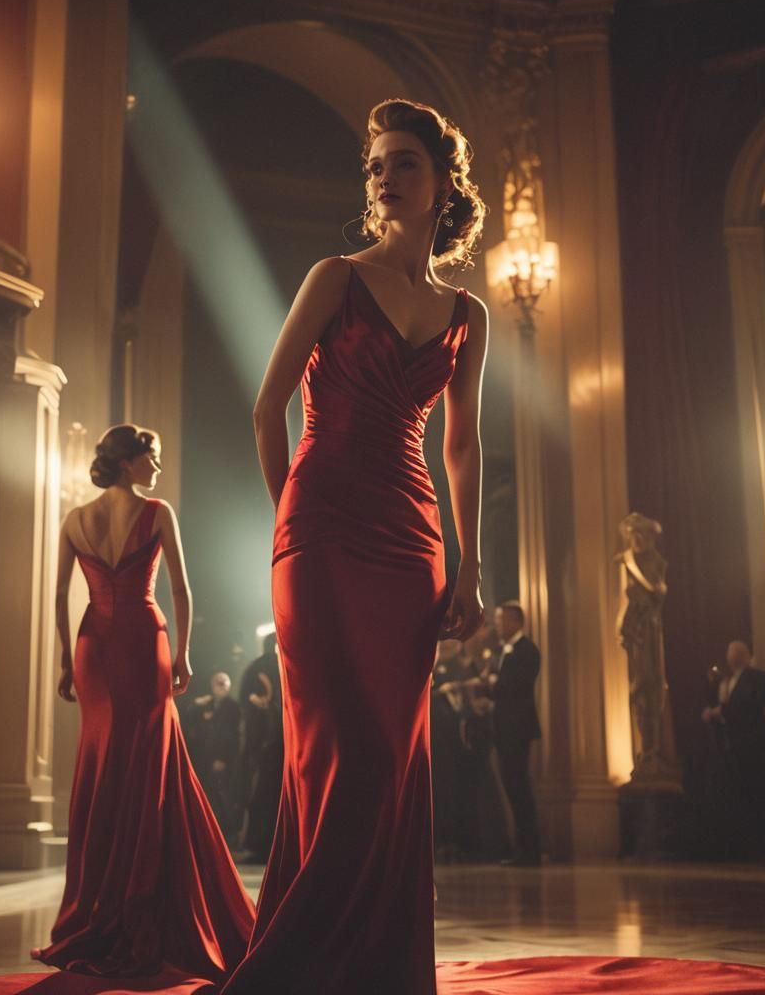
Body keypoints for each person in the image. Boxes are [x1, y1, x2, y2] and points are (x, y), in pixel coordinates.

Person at [232, 98, 487, 993]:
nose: (383, 176)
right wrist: (292, 515)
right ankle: (300, 958)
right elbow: (269, 408)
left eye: (403, 162)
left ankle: (373, 965)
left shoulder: (468, 313)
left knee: (390, 750)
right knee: (336, 745)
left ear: (442, 183)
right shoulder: (334, 276)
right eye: (375, 164)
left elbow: (462, 445)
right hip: (321, 526)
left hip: (411, 541)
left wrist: (469, 564)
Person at [34, 425, 253, 981]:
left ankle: (97, 907)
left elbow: (60, 595)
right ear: (129, 462)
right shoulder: (158, 511)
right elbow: (181, 587)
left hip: (93, 646)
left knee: (102, 765)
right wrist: (183, 654)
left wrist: (65, 658)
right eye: (151, 458)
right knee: (145, 763)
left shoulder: (73, 519)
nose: (157, 467)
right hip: (141, 638)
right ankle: (139, 898)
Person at [702, 639, 765, 863]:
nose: (732, 655)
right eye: (729, 651)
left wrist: (721, 710)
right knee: (734, 799)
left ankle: (762, 849)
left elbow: (753, 704)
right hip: (729, 750)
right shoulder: (724, 682)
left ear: (747, 655)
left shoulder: (759, 678)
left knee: (756, 797)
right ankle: (736, 849)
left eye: (737, 652)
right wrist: (712, 715)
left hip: (751, 748)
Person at [489, 600, 542, 867]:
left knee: (520, 787)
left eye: (502, 620)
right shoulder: (505, 650)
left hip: (517, 729)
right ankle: (522, 848)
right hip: (505, 729)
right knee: (512, 786)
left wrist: (492, 684)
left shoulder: (527, 651)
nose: (498, 625)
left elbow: (513, 687)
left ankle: (530, 850)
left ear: (516, 622)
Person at [237, 630, 283, 863]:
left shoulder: (257, 668)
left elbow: (245, 701)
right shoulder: (278, 667)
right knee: (267, 793)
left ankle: (260, 844)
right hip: (273, 743)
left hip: (265, 744)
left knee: (261, 792)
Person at [188, 671, 242, 841]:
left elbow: (232, 736)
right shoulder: (208, 704)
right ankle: (207, 832)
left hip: (222, 758)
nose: (220, 687)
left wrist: (223, 758)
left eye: (223, 683)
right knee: (207, 794)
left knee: (222, 795)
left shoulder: (233, 707)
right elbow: (191, 719)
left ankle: (225, 833)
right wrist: (198, 705)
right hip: (205, 757)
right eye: (217, 683)